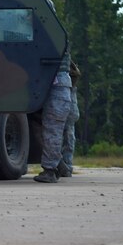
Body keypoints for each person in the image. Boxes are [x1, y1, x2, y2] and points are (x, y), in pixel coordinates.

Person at [35, 49, 73, 183]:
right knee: (53, 132)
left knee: (52, 132)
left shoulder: (56, 71)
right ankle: (60, 166)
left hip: (58, 92)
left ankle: (50, 171)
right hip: (61, 91)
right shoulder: (61, 45)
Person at [57, 59, 81, 177]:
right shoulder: (66, 61)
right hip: (66, 96)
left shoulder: (67, 62)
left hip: (68, 95)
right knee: (66, 136)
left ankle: (66, 165)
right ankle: (65, 165)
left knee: (67, 136)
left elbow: (75, 73)